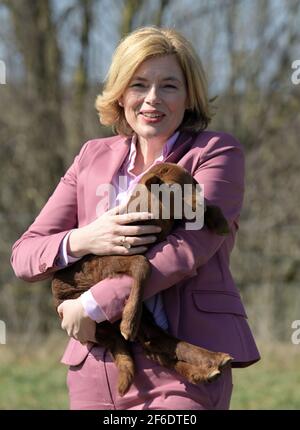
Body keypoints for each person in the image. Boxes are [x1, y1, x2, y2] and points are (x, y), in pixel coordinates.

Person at [11, 26, 260, 410]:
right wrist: (85, 239)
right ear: (120, 91)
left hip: (188, 364)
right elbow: (25, 256)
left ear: (189, 95)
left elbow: (188, 249)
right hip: (99, 365)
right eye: (139, 84)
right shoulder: (91, 156)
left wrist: (93, 303)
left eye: (170, 86)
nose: (152, 99)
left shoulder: (216, 152)